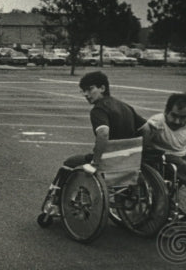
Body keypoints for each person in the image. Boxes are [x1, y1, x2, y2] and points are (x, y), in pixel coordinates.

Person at [43, 71, 147, 213]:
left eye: (90, 89)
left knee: (69, 164)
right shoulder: (125, 106)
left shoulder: (99, 109)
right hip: (129, 160)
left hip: (108, 161)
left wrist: (96, 163)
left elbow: (103, 133)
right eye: (84, 91)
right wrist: (137, 150)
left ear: (102, 88)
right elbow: (147, 128)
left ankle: (56, 204)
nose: (86, 94)